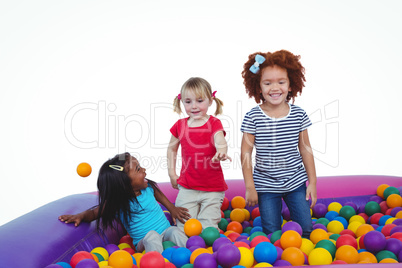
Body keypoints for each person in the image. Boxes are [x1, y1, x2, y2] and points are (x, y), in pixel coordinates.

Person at [240, 50, 317, 238]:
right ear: (258, 87)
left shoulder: (298, 114)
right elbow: (246, 153)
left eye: (281, 82)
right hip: (266, 185)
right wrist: (250, 186)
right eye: (268, 83)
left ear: (291, 85)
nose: (275, 88)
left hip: (295, 181)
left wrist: (312, 181)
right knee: (272, 232)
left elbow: (306, 149)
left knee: (306, 229)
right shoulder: (253, 117)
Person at [59, 152, 189, 253]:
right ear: (124, 184)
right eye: (138, 169)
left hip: (166, 231)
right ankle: (157, 262)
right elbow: (95, 213)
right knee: (152, 236)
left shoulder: (148, 188)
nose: (144, 169)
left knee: (175, 231)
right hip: (144, 242)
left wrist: (172, 208)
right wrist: (80, 216)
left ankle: (192, 254)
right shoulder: (119, 203)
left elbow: (157, 193)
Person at [167, 77, 231, 231]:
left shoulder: (214, 123)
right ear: (182, 102)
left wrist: (222, 151)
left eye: (200, 101)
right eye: (188, 102)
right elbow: (171, 149)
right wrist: (172, 174)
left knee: (208, 227)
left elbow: (220, 139)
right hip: (188, 187)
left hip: (212, 189)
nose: (194, 106)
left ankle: (207, 252)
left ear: (210, 100)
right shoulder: (179, 125)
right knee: (184, 226)